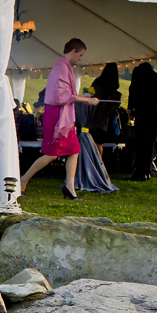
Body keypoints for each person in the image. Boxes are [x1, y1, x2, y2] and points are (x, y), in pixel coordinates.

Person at [19, 38, 99, 200]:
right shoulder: (60, 67)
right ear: (73, 51)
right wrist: (86, 99)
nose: (80, 58)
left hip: (64, 116)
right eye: (80, 54)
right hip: (55, 115)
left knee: (74, 150)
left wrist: (84, 98)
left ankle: (69, 187)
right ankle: (22, 180)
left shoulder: (65, 67)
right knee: (52, 154)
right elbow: (60, 95)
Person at [127, 62, 157, 181]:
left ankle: (140, 171)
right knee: (150, 145)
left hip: (143, 114)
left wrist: (131, 109)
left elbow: (133, 93)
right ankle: (147, 170)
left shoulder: (140, 77)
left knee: (141, 144)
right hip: (155, 116)